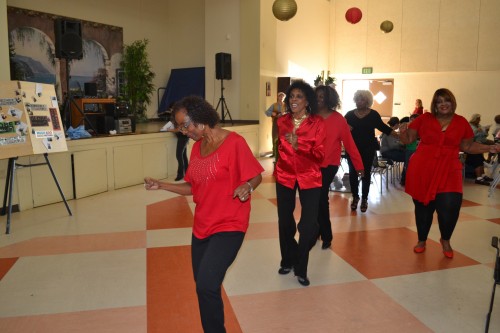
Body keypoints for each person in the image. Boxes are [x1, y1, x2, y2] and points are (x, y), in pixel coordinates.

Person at [144, 96, 264, 333]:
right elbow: (193, 187)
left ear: (200, 117)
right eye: (179, 127)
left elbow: (256, 175)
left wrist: (247, 187)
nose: (183, 131)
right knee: (205, 285)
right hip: (202, 227)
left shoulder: (234, 143)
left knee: (207, 285)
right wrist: (163, 185)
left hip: (230, 226)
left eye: (185, 124)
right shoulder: (197, 147)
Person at [399, 88, 500, 258]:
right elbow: (408, 139)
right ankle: (421, 240)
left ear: (452, 102)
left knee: (450, 208)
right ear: (435, 105)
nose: (443, 104)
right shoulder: (424, 118)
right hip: (423, 167)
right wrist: (402, 131)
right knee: (423, 207)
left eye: (446, 100)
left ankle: (445, 239)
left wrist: (489, 147)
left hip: (449, 168)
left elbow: (467, 146)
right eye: (439, 101)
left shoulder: (461, 123)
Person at [275, 79, 325, 287]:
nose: (294, 100)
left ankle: (301, 268)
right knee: (285, 222)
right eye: (292, 96)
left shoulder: (317, 123)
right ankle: (288, 259)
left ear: (307, 101)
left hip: (310, 176)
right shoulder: (281, 121)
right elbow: (279, 147)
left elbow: (320, 155)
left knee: (308, 225)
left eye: (299, 96)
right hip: (285, 175)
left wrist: (300, 145)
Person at [315, 85, 363, 250]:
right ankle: (316, 231)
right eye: (317, 96)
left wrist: (359, 165)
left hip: (329, 165)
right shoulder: (310, 117)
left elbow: (349, 144)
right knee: (313, 199)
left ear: (329, 99)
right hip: (311, 164)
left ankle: (326, 235)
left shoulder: (338, 119)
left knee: (320, 197)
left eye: (322, 96)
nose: (318, 99)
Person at [344, 90, 396, 213]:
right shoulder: (349, 115)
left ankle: (364, 198)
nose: (358, 102)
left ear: (367, 101)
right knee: (352, 173)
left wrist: (398, 135)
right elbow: (340, 128)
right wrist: (345, 127)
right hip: (352, 149)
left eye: (361, 99)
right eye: (357, 99)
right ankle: (355, 197)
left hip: (368, 149)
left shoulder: (373, 115)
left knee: (366, 173)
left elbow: (383, 127)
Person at [465, 113, 493, 185]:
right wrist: (477, 130)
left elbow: (484, 135)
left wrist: (486, 131)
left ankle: (482, 175)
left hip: (478, 143)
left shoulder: (479, 125)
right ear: (475, 119)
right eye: (478, 119)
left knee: (480, 157)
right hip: (471, 144)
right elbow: (471, 135)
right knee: (477, 157)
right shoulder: (469, 125)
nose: (479, 120)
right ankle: (479, 177)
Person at [380, 116, 406, 184]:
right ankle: (404, 179)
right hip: (387, 152)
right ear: (397, 124)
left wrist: (399, 143)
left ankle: (404, 178)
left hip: (389, 151)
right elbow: (392, 145)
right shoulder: (389, 132)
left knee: (407, 155)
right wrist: (400, 143)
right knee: (407, 157)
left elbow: (394, 143)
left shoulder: (390, 131)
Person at [265, 92, 286, 159]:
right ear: (278, 97)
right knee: (274, 136)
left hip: (283, 123)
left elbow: (289, 113)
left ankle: (282, 152)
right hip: (276, 122)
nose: (281, 98)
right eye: (280, 96)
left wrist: (284, 114)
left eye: (282, 97)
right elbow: (267, 112)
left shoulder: (286, 105)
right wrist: (272, 113)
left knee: (283, 137)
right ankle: (274, 152)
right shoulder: (274, 105)